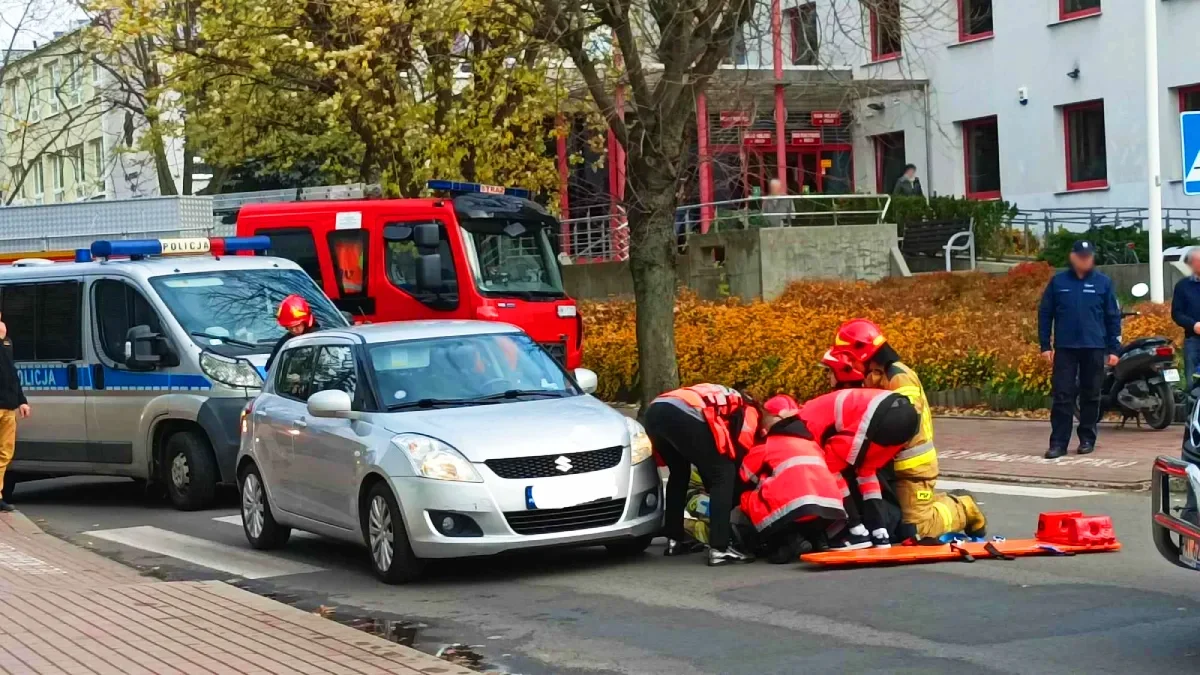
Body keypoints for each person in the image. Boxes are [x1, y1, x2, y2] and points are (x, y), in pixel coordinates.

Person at [831, 320, 987, 541]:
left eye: (849, 356)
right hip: (890, 466)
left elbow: (906, 423)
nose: (848, 363)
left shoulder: (898, 377)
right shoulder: (874, 376)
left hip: (913, 468)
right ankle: (930, 503)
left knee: (915, 530)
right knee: (896, 523)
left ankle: (963, 506)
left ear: (861, 353)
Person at [644, 383, 760, 566]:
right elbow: (743, 446)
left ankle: (675, 539)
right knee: (723, 473)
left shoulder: (718, 396)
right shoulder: (749, 409)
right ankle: (720, 548)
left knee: (679, 471)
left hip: (655, 410)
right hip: (683, 415)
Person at [798, 386, 920, 549]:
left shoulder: (804, 421)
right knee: (867, 472)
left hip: (875, 418)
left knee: (829, 470)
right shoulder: (817, 405)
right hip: (904, 413)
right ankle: (880, 533)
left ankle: (857, 532)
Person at [739, 395, 847, 563]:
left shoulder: (768, 444)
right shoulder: (811, 443)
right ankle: (819, 539)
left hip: (793, 510)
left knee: (748, 497)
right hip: (828, 508)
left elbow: (745, 475)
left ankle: (789, 541)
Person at [1038, 240, 1121, 459]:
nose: (1085, 260)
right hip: (1065, 348)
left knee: (1091, 395)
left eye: (1088, 256)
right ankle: (1058, 443)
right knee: (1063, 395)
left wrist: (1114, 349)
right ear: (1072, 256)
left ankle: (1087, 439)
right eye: (1081, 256)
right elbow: (1045, 314)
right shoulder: (1058, 282)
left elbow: (1112, 317)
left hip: (1094, 346)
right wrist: (1045, 345)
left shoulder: (1103, 283)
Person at [0, 313, 30, 512]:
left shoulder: (6, 344)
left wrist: (22, 401)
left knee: (4, 453)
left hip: (8, 406)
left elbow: (12, 374)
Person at [266, 294, 321, 371]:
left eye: (297, 325)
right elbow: (270, 367)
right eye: (290, 327)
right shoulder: (284, 342)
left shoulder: (319, 338)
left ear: (305, 322)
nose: (294, 330)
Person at [1172, 247, 1200, 387]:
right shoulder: (1183, 286)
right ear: (1191, 264)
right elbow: (1176, 313)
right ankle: (1192, 407)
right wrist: (1193, 325)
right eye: (1197, 261)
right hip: (1193, 341)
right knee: (1192, 380)